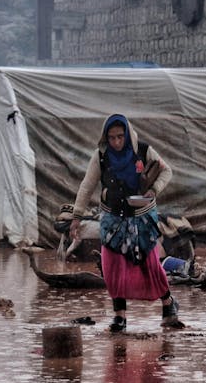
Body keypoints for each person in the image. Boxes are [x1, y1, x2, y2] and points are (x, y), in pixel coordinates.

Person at [70, 113, 185, 331]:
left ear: (127, 134)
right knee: (113, 266)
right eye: (111, 138)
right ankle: (120, 317)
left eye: (120, 137)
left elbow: (166, 171)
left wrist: (153, 190)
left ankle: (169, 304)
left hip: (142, 217)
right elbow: (87, 186)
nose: (116, 142)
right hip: (113, 218)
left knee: (149, 264)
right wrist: (76, 217)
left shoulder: (142, 151)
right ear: (106, 138)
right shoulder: (101, 156)